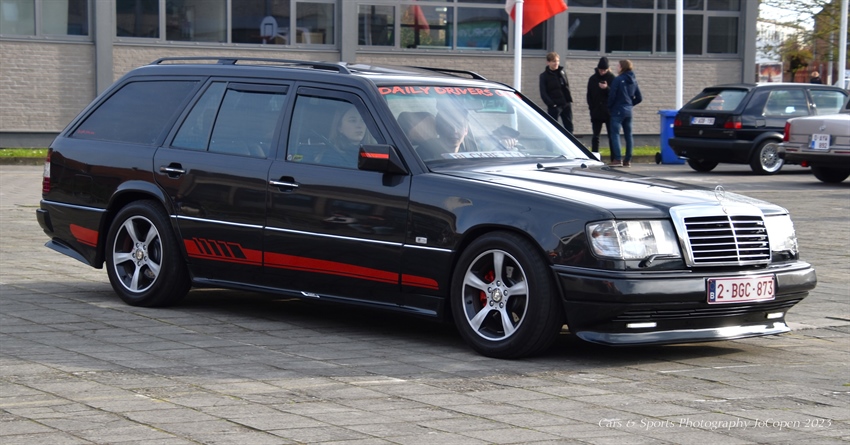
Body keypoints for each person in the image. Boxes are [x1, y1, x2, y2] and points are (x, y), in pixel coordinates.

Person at [606, 59, 642, 167]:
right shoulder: (633, 80)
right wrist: (630, 104)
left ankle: (617, 159)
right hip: (628, 111)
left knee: (615, 134)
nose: (616, 67)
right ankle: (628, 160)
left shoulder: (618, 79)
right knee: (628, 135)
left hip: (617, 110)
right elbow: (639, 98)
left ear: (622, 67)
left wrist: (609, 107)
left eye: (618, 66)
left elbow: (612, 95)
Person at [321, 104, 369, 168]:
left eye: (362, 120)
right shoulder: (332, 157)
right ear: (339, 127)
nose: (359, 126)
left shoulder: (368, 152)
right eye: (353, 120)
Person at [586, 57, 616, 159]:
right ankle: (595, 157)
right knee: (595, 136)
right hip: (596, 111)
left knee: (611, 136)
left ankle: (614, 158)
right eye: (601, 70)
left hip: (609, 112)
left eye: (604, 70)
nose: (602, 72)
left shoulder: (612, 78)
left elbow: (615, 95)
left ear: (608, 69)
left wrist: (606, 88)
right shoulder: (593, 79)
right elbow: (589, 95)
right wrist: (591, 107)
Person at [539, 52, 574, 133]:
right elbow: (543, 92)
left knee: (569, 127)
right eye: (554, 61)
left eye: (557, 61)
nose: (556, 63)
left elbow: (566, 86)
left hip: (566, 103)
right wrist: (551, 104)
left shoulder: (562, 72)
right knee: (553, 128)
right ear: (548, 62)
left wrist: (568, 99)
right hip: (555, 105)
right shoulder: (544, 76)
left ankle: (569, 141)